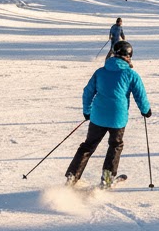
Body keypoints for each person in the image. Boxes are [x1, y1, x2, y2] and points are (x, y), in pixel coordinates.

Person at [65, 40, 151, 188]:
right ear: (128, 56)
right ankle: (107, 179)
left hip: (97, 117)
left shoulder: (100, 72)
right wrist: (145, 110)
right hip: (117, 118)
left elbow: (88, 92)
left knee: (88, 146)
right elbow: (140, 95)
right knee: (115, 146)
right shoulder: (131, 74)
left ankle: (72, 177)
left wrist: (87, 111)